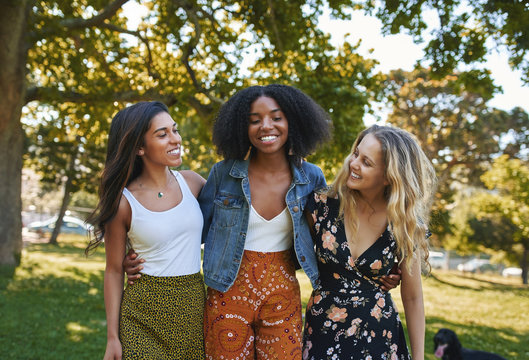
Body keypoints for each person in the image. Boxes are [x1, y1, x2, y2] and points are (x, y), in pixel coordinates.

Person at [123, 85, 401, 359]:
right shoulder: (224, 174)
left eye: (276, 118)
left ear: (293, 122)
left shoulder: (311, 177)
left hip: (282, 296)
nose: (265, 126)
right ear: (241, 127)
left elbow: (335, 234)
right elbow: (189, 226)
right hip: (226, 293)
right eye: (254, 120)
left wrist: (380, 268)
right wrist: (133, 252)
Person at [301, 125, 437, 360]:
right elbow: (291, 254)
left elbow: (413, 298)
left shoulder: (404, 223)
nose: (354, 164)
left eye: (367, 162)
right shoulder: (321, 204)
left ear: (388, 177)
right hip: (322, 332)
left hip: (379, 338)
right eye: (356, 154)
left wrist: (419, 358)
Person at [85, 101, 206, 359]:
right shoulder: (123, 203)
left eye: (174, 130)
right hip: (142, 316)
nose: (175, 139)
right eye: (162, 134)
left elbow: (235, 215)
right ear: (139, 147)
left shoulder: (193, 183)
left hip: (193, 310)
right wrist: (112, 338)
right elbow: (114, 270)